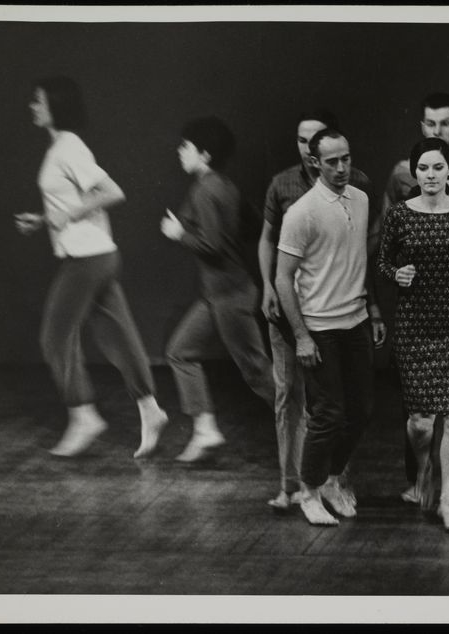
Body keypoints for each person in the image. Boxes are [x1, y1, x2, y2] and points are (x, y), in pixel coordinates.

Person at [15, 75, 167, 458]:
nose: (32, 106)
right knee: (118, 334)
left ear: (55, 105)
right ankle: (151, 409)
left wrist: (67, 215)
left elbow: (112, 192)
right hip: (97, 254)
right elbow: (71, 203)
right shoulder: (60, 149)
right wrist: (45, 220)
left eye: (38, 101)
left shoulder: (68, 147)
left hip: (87, 259)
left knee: (54, 337)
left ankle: (83, 415)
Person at [259, 110, 380, 510]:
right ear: (315, 163)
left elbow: (359, 261)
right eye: (332, 161)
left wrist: (373, 310)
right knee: (327, 415)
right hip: (320, 328)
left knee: (360, 411)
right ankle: (308, 492)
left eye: (346, 158)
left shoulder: (361, 199)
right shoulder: (301, 212)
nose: (342, 167)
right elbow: (282, 279)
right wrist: (303, 336)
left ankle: (329, 480)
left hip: (356, 323)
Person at [377, 137, 449, 532]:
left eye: (437, 168)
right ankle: (424, 468)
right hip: (417, 323)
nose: (430, 175)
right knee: (422, 421)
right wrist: (398, 273)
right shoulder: (400, 215)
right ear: (415, 172)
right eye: (423, 168)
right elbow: (383, 261)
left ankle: (447, 501)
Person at [161, 116, 275, 462]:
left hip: (229, 295)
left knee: (257, 371)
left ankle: (312, 425)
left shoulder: (205, 189)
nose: (180, 152)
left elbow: (210, 246)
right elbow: (254, 225)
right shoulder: (225, 186)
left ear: (205, 154)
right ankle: (205, 429)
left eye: (186, 147)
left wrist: (179, 233)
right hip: (219, 293)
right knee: (180, 351)